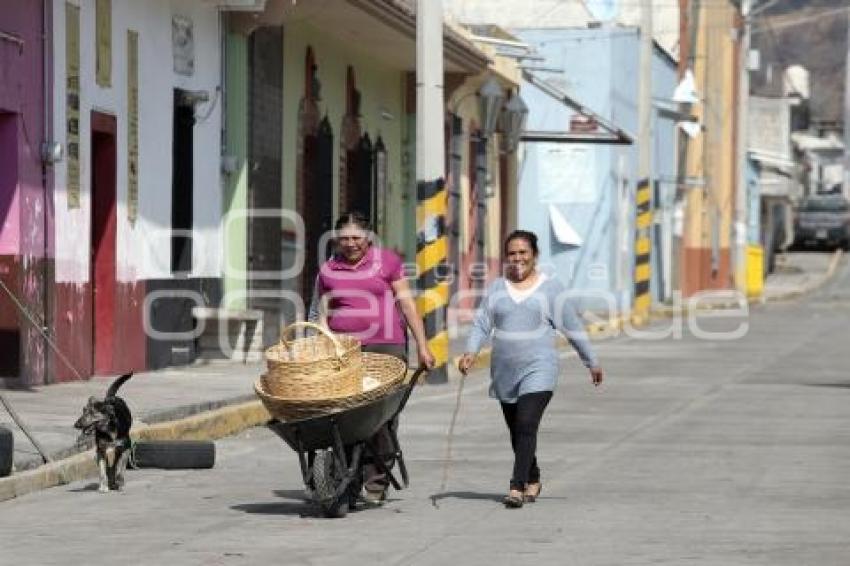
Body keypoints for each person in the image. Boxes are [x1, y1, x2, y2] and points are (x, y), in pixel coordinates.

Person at [458, 229, 604, 508]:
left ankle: (516, 486)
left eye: (523, 252)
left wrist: (591, 361)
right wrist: (470, 352)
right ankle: (533, 477)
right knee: (517, 431)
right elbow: (481, 324)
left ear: (535, 255)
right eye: (511, 254)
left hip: (540, 369)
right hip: (504, 372)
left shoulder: (551, 289)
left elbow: (572, 327)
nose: (517, 258)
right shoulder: (497, 288)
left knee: (526, 423)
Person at [308, 211, 435, 504]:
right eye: (344, 239)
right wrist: (322, 346)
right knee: (347, 414)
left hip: (386, 347)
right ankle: (347, 478)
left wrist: (423, 346)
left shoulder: (386, 261)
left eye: (356, 238)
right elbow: (321, 315)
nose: (350, 244)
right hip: (346, 351)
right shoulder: (329, 270)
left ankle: (376, 479)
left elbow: (407, 305)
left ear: (368, 237)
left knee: (380, 416)